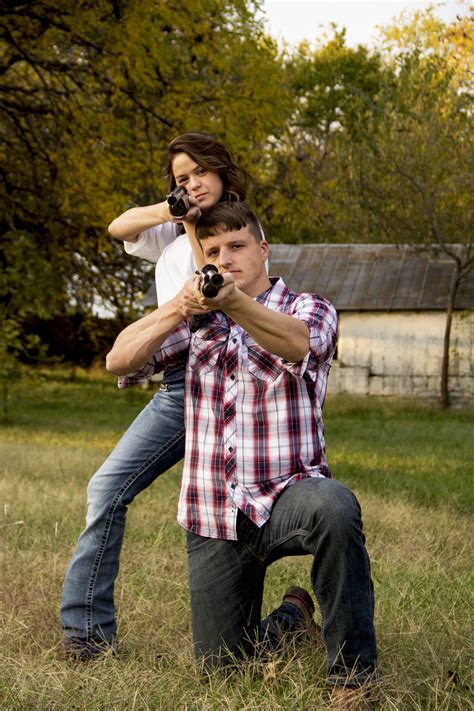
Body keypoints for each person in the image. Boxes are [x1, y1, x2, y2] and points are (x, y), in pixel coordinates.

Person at [107, 202, 378, 703]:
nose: (225, 257)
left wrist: (235, 303)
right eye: (213, 250)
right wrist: (178, 308)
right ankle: (293, 618)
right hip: (212, 514)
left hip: (289, 496)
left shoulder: (308, 307)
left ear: (263, 249)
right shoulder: (195, 324)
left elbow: (298, 345)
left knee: (336, 508)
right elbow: (118, 359)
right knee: (224, 675)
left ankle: (353, 678)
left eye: (237, 246)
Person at [60, 133, 247, 658]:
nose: (192, 184)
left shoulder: (237, 229)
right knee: (106, 489)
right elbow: (119, 225)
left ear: (221, 170)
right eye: (181, 178)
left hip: (219, 381)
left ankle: (278, 618)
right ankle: (86, 634)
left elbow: (208, 283)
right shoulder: (168, 228)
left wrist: (190, 225)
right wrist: (171, 208)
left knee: (243, 518)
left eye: (199, 174)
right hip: (175, 386)